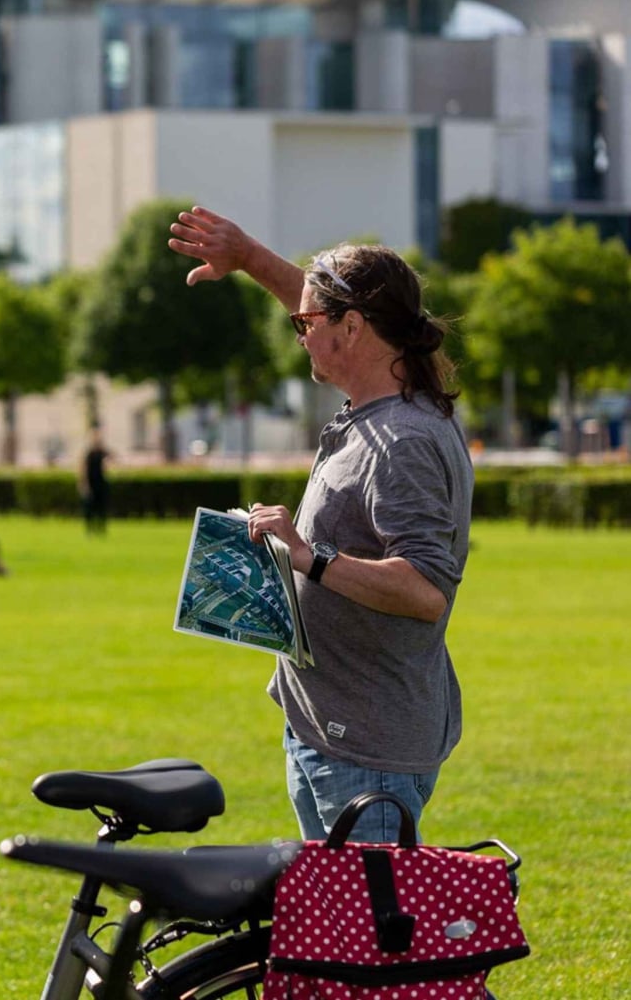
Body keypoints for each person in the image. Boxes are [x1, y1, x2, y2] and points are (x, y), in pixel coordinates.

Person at [168, 205, 473, 843]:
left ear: (354, 328)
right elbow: (323, 307)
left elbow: (424, 591)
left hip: (367, 751)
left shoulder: (404, 439)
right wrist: (251, 257)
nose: (298, 333)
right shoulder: (376, 405)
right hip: (327, 729)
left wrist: (310, 557)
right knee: (332, 938)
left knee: (365, 942)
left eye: (306, 324)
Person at [78, 425, 111, 534]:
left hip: (101, 482)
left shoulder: (102, 452)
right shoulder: (88, 453)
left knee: (101, 508)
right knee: (89, 508)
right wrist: (84, 484)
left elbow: (112, 459)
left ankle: (101, 529)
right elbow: (83, 469)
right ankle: (89, 529)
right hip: (91, 483)